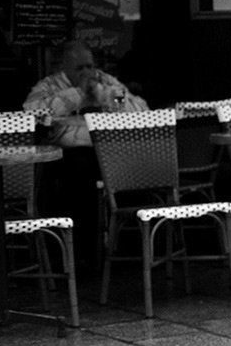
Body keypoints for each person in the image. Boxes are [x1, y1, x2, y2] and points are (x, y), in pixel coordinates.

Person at [23, 39, 148, 272]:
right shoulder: (50, 85)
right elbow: (32, 113)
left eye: (89, 66)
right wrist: (76, 94)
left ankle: (126, 252)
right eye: (79, 68)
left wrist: (108, 97)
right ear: (65, 68)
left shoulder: (104, 80)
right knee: (79, 175)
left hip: (106, 154)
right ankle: (81, 255)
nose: (87, 72)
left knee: (136, 173)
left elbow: (140, 108)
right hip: (67, 157)